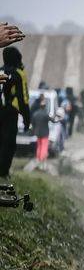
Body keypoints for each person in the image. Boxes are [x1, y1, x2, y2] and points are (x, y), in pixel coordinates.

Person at [0, 46, 31, 179]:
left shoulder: (0, 71)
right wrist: (26, 119)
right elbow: (23, 98)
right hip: (10, 113)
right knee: (9, 144)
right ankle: (3, 173)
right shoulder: (19, 73)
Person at [31, 94, 52, 168]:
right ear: (45, 106)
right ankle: (42, 160)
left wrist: (34, 130)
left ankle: (38, 158)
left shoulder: (35, 114)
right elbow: (52, 120)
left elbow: (33, 123)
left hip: (38, 133)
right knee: (44, 146)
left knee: (39, 146)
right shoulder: (45, 114)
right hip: (45, 133)